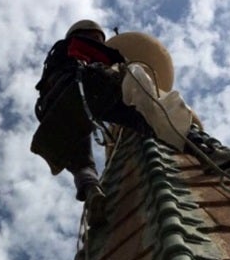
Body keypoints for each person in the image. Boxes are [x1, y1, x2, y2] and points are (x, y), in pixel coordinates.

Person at [33, 20, 152, 225]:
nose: (99, 42)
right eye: (97, 38)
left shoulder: (54, 59)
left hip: (55, 105)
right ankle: (176, 137)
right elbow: (102, 54)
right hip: (88, 87)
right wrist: (121, 60)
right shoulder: (76, 44)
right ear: (86, 34)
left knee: (80, 159)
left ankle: (91, 189)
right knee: (139, 117)